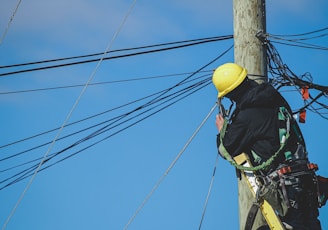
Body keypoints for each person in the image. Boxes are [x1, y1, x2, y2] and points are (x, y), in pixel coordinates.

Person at [212, 63, 322, 230]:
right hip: (306, 179)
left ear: (230, 95)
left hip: (286, 187)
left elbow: (227, 148)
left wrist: (222, 130)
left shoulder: (247, 116)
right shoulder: (275, 99)